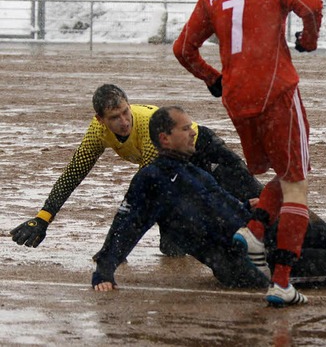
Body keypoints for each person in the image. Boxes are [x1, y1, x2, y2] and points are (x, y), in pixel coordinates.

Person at [92, 106, 326, 301]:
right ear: (164, 138)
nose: (193, 132)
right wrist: (104, 270)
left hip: (256, 233)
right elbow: (127, 222)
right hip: (240, 264)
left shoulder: (193, 166)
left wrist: (253, 204)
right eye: (185, 129)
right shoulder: (152, 179)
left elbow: (221, 200)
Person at [173, 0, 323, 306]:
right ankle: (282, 282)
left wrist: (213, 79)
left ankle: (255, 229)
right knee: (297, 184)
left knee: (286, 173)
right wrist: (308, 41)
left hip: (238, 100)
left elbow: (183, 48)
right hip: (275, 92)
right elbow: (311, 5)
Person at [10, 84, 262, 255]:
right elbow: (74, 172)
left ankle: (290, 239)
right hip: (178, 168)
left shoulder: (149, 126)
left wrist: (115, 246)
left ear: (129, 106)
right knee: (173, 247)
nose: (123, 122)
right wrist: (44, 217)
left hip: (204, 149)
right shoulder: (96, 134)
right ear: (100, 120)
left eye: (124, 112)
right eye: (114, 118)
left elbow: (143, 191)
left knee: (258, 200)